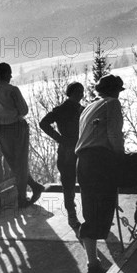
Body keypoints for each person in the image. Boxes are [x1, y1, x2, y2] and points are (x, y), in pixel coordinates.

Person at [75, 74, 137, 273]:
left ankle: (92, 265)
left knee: (92, 213)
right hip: (104, 160)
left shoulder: (88, 107)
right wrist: (121, 158)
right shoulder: (112, 103)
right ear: (116, 90)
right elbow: (114, 134)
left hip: (84, 163)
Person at [0, 62, 45, 208]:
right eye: (10, 73)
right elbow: (24, 110)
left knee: (13, 163)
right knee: (21, 162)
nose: (11, 76)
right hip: (17, 128)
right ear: (5, 74)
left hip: (1, 129)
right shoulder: (12, 90)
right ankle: (23, 197)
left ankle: (31, 190)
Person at [39, 82, 84, 229]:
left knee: (81, 183)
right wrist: (59, 138)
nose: (81, 94)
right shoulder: (62, 110)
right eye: (78, 92)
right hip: (68, 152)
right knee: (69, 184)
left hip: (79, 150)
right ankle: (72, 215)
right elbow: (43, 123)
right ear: (70, 93)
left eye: (82, 92)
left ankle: (86, 215)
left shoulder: (82, 109)